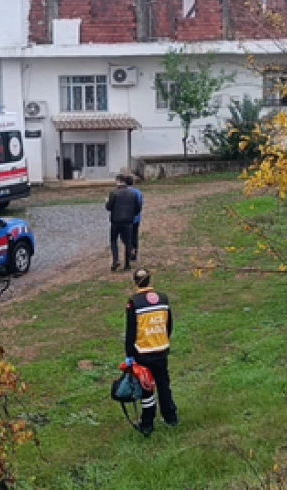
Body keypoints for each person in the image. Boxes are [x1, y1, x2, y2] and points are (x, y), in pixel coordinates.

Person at [124, 268, 178, 436]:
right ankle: (171, 417)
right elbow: (169, 324)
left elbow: (131, 331)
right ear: (150, 280)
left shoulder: (134, 302)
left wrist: (129, 355)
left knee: (147, 389)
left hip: (143, 352)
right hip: (161, 349)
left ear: (135, 282)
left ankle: (147, 424)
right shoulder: (163, 299)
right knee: (164, 385)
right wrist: (163, 340)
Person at [106, 174, 141, 271]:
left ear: (118, 181)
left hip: (116, 221)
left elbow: (108, 207)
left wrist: (107, 202)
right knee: (128, 242)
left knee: (114, 240)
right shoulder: (133, 194)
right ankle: (127, 265)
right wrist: (131, 215)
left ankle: (116, 259)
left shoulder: (114, 193)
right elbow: (138, 209)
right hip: (128, 222)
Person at [126, 175, 143, 262]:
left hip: (127, 218)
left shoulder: (124, 192)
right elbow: (141, 204)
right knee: (134, 236)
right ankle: (135, 253)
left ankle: (130, 251)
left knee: (126, 236)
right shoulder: (138, 192)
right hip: (136, 218)